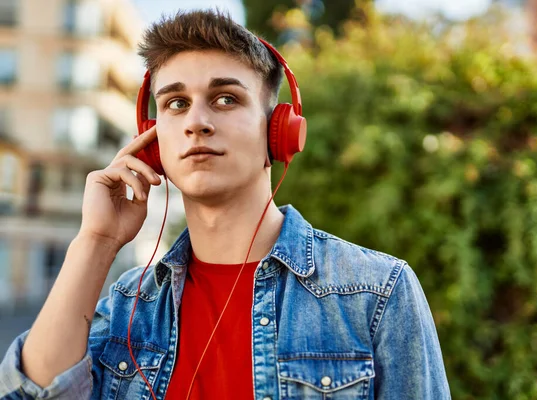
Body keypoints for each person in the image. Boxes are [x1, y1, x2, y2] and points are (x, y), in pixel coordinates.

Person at [0, 9, 450, 400]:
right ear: (153, 142)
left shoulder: (375, 292)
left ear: (279, 131)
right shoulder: (128, 306)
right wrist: (96, 241)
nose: (196, 121)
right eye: (176, 103)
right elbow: (34, 393)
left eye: (225, 98)